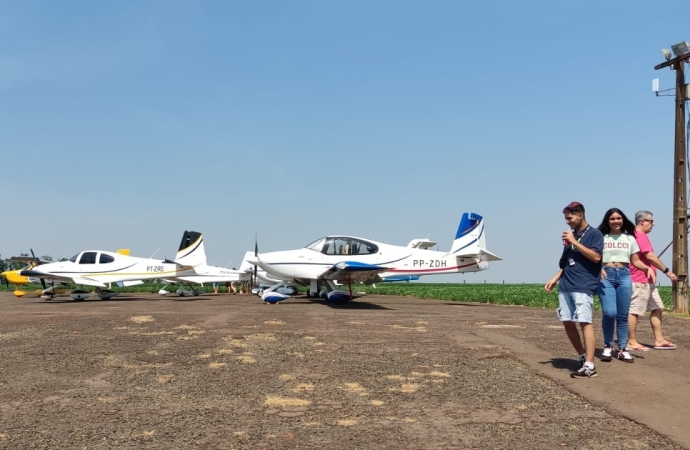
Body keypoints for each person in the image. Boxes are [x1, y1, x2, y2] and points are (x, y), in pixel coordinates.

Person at [545, 202, 604, 379]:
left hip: (583, 285)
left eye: (569, 218)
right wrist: (555, 278)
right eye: (566, 219)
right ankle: (582, 356)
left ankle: (590, 366)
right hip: (566, 285)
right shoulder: (572, 236)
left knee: (585, 321)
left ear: (580, 215)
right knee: (567, 321)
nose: (567, 222)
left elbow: (596, 257)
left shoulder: (594, 234)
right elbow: (566, 263)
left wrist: (574, 242)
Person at [596, 208, 655, 364]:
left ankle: (622, 349)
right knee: (609, 312)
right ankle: (608, 345)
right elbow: (594, 257)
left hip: (624, 275)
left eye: (619, 218)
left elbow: (635, 261)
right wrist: (598, 268)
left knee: (623, 315)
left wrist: (647, 267)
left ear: (623, 220)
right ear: (607, 221)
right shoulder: (601, 237)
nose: (616, 221)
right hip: (605, 276)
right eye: (612, 219)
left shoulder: (630, 239)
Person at [627, 210, 678, 351]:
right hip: (640, 279)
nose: (653, 224)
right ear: (642, 221)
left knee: (658, 307)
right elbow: (649, 256)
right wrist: (667, 271)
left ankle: (659, 340)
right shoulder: (640, 235)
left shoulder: (638, 235)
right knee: (635, 310)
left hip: (648, 281)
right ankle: (631, 341)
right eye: (651, 221)